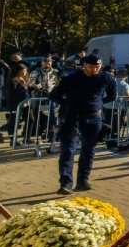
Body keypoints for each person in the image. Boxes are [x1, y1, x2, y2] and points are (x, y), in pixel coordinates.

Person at [48, 54, 116, 194]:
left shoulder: (106, 77)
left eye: (97, 67)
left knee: (88, 149)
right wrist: (69, 104)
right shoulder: (70, 77)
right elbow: (54, 95)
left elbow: (112, 95)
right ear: (84, 64)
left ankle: (82, 181)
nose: (94, 70)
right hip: (71, 117)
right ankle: (66, 183)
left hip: (93, 118)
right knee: (67, 149)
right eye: (91, 67)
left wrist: (98, 103)